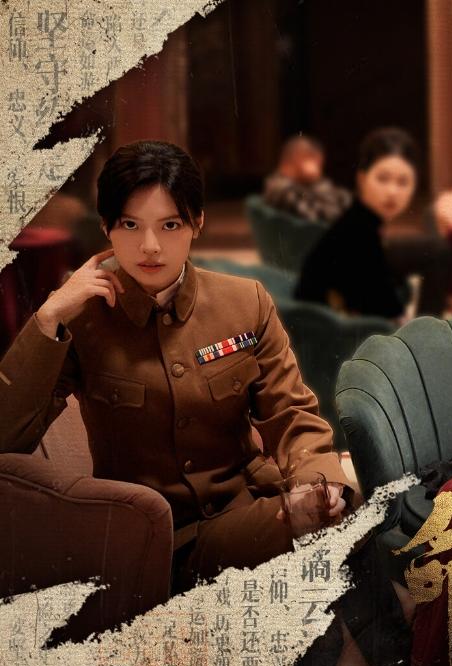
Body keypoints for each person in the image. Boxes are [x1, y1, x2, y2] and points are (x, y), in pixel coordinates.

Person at [0, 140, 349, 589]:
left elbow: (291, 413)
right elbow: (7, 437)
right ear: (106, 226)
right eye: (130, 224)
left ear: (197, 223)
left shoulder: (245, 302)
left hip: (251, 507)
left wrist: (317, 483)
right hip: (159, 541)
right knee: (341, 528)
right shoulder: (83, 319)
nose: (150, 247)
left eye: (169, 225)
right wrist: (47, 318)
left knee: (348, 505)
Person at [296, 127, 450, 318]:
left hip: (340, 303)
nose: (392, 192)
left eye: (403, 182)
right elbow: (382, 312)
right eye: (382, 179)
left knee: (436, 249)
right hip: (327, 322)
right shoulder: (359, 233)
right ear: (362, 179)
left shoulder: (363, 221)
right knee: (437, 251)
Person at [262, 134, 352, 224]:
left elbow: (345, 198)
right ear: (296, 158)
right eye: (315, 162)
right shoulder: (280, 188)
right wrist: (318, 182)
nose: (319, 169)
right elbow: (326, 216)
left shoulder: (300, 186)